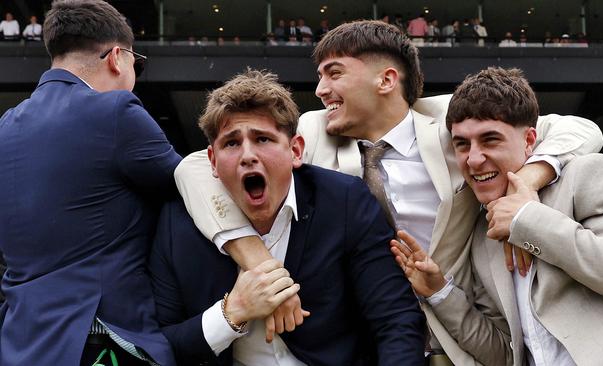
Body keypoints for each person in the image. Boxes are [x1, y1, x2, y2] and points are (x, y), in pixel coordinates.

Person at [174, 20, 603, 365]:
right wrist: (259, 261)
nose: (321, 89)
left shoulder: (452, 126)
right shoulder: (307, 131)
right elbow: (195, 166)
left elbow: (581, 129)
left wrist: (527, 181)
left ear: (386, 79)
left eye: (333, 73)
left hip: (467, 338)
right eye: (319, 76)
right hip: (368, 340)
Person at [149, 69, 425, 365]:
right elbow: (160, 344)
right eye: (231, 143)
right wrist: (232, 312)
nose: (247, 155)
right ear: (212, 162)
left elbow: (395, 319)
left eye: (263, 139)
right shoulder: (177, 224)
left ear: (295, 151)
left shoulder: (343, 201)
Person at [393, 67, 603, 366]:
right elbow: (503, 353)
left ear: (529, 140)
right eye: (462, 144)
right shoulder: (479, 231)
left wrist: (525, 220)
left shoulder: (586, 173)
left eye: (490, 140)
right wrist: (439, 293)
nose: (474, 159)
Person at [0, 0, 180, 365]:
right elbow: (190, 191)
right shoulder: (116, 110)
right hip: (103, 343)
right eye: (137, 64)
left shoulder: (4, 127)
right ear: (117, 56)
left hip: (20, 344)